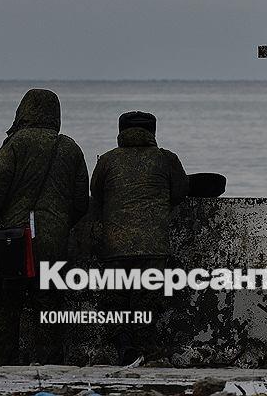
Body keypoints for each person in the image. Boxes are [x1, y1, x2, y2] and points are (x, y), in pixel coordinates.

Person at [0, 89, 89, 365]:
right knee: (49, 307)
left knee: (7, 307)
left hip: (14, 240)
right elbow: (81, 201)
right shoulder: (70, 148)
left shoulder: (15, 144)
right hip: (53, 242)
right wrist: (59, 225)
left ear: (23, 111)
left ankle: (3, 365)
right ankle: (50, 366)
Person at [90, 111, 189, 364]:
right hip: (153, 247)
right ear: (152, 132)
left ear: (120, 131)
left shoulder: (107, 160)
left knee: (116, 301)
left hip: (115, 247)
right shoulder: (167, 159)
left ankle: (125, 349)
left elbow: (97, 195)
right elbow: (179, 193)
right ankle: (147, 352)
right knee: (147, 302)